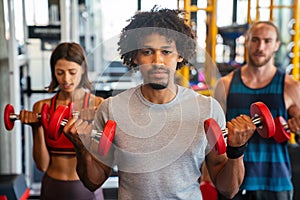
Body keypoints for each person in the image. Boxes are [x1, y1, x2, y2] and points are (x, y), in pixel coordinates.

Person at [63, 7, 257, 199]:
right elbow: (93, 182)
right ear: (135, 57)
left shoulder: (207, 109)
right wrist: (82, 148)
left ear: (180, 54)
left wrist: (236, 151)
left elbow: (228, 190)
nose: (157, 61)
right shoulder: (111, 109)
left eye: (166, 51)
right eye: (147, 51)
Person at [214, 21, 300, 200]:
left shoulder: (290, 86)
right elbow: (214, 142)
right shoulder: (225, 85)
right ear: (247, 41)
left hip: (275, 181)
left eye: (267, 41)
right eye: (255, 40)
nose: (260, 47)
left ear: (276, 45)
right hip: (234, 182)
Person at [19, 42, 105, 199]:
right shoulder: (42, 107)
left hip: (87, 187)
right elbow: (42, 165)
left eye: (72, 72)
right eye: (60, 72)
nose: (66, 79)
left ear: (83, 69)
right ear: (53, 72)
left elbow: (103, 157)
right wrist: (36, 127)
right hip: (53, 186)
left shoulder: (98, 105)